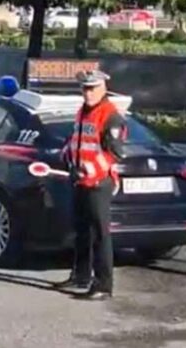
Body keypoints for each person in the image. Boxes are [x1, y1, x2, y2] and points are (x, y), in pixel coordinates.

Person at [56, 69, 127, 300]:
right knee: (81, 231)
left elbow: (113, 154)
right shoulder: (83, 112)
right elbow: (77, 141)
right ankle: (81, 275)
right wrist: (66, 156)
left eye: (92, 88)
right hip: (80, 181)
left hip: (99, 183)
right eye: (84, 89)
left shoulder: (111, 116)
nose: (87, 93)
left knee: (100, 234)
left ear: (103, 88)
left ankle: (103, 285)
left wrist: (89, 169)